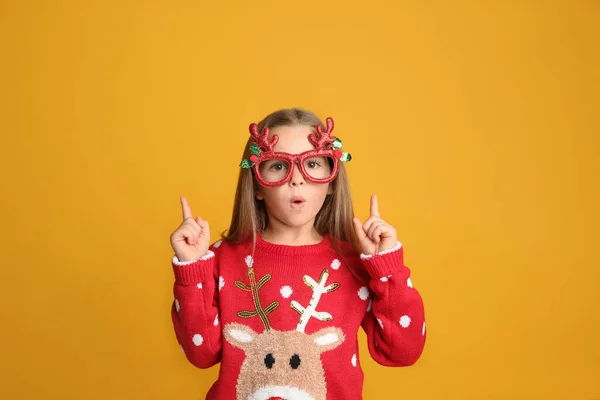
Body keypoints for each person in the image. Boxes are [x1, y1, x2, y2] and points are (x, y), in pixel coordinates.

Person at [169, 108, 426, 399]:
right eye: (278, 166)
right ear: (256, 185)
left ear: (331, 180)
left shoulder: (355, 263)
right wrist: (192, 271)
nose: (296, 179)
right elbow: (201, 354)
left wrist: (387, 268)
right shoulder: (218, 259)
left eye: (313, 164)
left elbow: (403, 351)